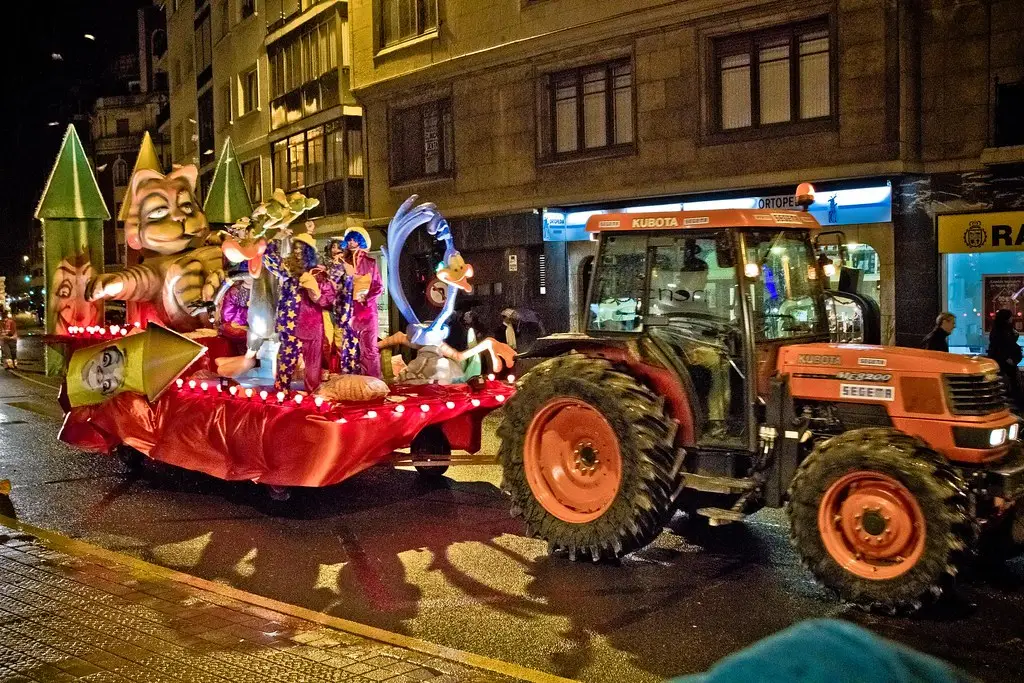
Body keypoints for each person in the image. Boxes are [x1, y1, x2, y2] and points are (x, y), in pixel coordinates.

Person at [264, 231, 336, 392]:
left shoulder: (317, 273)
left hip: (311, 323)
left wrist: (316, 295)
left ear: (308, 252)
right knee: (286, 359)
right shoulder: (288, 269)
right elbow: (268, 257)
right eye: (295, 248)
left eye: (301, 249)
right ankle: (281, 392)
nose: (297, 251)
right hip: (289, 322)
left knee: (313, 362)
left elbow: (329, 298)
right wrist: (278, 236)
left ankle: (313, 394)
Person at [332, 228, 383, 378]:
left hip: (367, 311)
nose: (352, 242)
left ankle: (372, 382)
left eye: (355, 239)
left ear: (360, 241)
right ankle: (352, 382)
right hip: (349, 311)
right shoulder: (341, 262)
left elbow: (379, 286)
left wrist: (367, 299)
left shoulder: (370, 263)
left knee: (370, 348)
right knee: (349, 349)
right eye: (349, 239)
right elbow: (333, 285)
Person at [987, 308, 1023, 407]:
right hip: (1004, 363)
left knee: (1013, 385)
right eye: (1010, 317)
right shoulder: (1000, 331)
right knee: (1010, 385)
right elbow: (1001, 347)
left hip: (1007, 362)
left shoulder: (1005, 329)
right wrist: (1007, 358)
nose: (1012, 319)